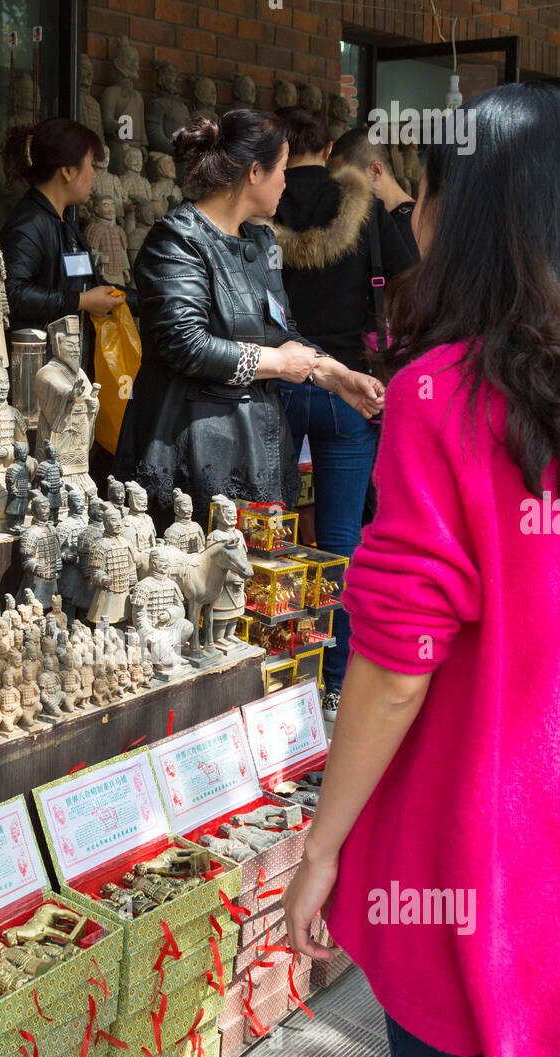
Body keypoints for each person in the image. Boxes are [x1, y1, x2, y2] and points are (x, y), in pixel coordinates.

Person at [281, 82, 560, 1057]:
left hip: (469, 872)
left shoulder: (444, 399)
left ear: (474, 210)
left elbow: (394, 663)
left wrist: (322, 844)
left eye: (430, 191)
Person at [115, 109, 383, 530]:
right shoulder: (176, 239)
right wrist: (276, 364)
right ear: (255, 172)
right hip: (193, 451)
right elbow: (186, 344)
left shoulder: (259, 239)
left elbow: (285, 332)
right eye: (281, 169)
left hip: (257, 448)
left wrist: (335, 375)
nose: (286, 181)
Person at [271, 107, 417, 729]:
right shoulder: (363, 206)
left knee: (268, 534)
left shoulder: (259, 203)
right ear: (329, 147)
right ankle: (331, 687)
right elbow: (410, 275)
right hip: (350, 386)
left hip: (275, 382)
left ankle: (270, 679)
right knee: (340, 544)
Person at [0, 117, 124, 337]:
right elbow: (13, 294)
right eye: (91, 165)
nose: (94, 175)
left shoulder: (66, 224)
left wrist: (150, 298)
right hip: (37, 364)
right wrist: (82, 301)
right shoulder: (28, 224)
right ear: (67, 171)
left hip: (68, 359)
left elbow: (88, 284)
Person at [328, 125, 419, 259]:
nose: (340, 193)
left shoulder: (404, 229)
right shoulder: (411, 219)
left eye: (347, 182)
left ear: (375, 171)